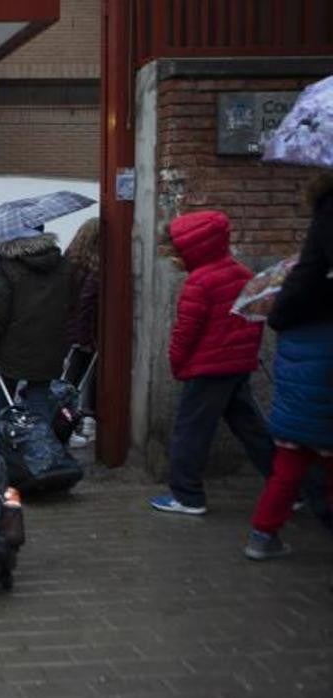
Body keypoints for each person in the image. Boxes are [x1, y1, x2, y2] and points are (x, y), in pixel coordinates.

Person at [149, 210, 273, 516]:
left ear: (194, 247)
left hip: (207, 369)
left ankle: (188, 496)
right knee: (252, 429)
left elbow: (185, 333)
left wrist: (178, 365)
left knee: (190, 431)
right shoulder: (244, 273)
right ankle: (290, 486)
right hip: (237, 367)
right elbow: (255, 321)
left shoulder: (199, 283)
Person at [243, 175, 333, 559]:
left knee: (287, 467)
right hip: (324, 409)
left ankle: (261, 536)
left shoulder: (296, 299)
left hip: (297, 410)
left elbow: (281, 316)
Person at [0, 223, 73, 426]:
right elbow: (70, 303)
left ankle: (0, 445)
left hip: (12, 347)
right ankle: (39, 449)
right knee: (39, 400)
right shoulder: (61, 262)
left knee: (3, 400)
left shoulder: (5, 264)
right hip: (50, 345)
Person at [64, 217, 101, 448]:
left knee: (70, 379)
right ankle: (78, 422)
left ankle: (70, 421)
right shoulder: (95, 267)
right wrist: (86, 337)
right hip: (84, 332)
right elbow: (88, 302)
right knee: (79, 378)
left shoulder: (69, 261)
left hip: (67, 329)